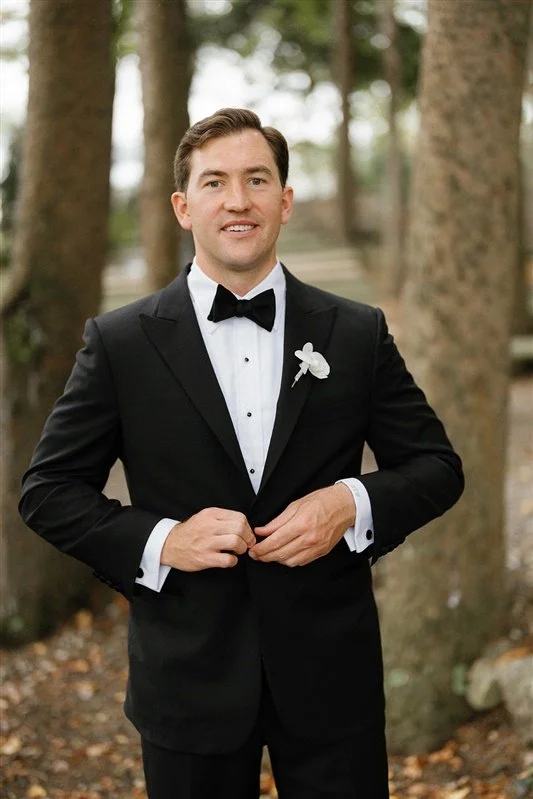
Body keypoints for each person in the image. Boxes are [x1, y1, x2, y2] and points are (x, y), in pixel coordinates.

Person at [20, 108, 464, 799]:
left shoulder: (354, 331)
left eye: (257, 180)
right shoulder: (120, 343)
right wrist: (164, 540)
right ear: (182, 205)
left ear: (284, 201)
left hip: (330, 677)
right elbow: (48, 490)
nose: (237, 200)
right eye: (215, 182)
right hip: (186, 679)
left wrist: (350, 502)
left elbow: (437, 467)